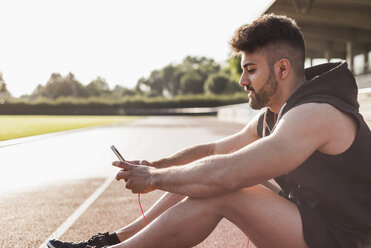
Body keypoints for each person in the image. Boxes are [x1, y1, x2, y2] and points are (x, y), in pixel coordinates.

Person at [47, 13, 371, 248]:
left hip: (348, 240)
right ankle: (114, 241)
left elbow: (225, 174)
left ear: (282, 68)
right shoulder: (277, 114)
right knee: (204, 172)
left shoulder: (316, 113)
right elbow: (216, 151)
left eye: (250, 70)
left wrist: (154, 180)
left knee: (226, 187)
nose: (242, 81)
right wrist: (157, 166)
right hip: (317, 222)